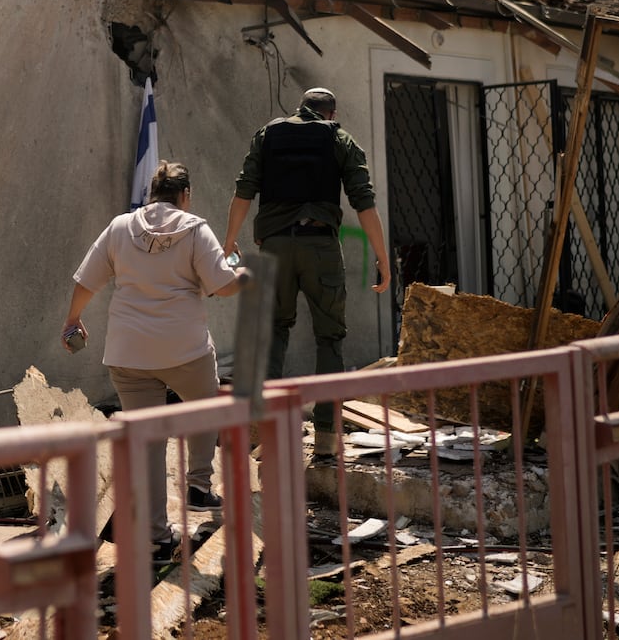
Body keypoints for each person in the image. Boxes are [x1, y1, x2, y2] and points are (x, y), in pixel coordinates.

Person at [62, 160, 246, 552]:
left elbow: (86, 280)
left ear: (151, 197)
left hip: (128, 353)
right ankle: (198, 484)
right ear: (185, 196)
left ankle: (157, 538)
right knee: (204, 406)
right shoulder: (196, 229)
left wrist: (73, 320)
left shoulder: (119, 227)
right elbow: (224, 286)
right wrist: (241, 270)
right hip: (185, 350)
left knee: (147, 442)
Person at [222, 87, 390, 459]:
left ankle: (269, 433)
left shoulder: (268, 135)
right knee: (329, 338)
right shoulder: (340, 138)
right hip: (320, 246)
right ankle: (328, 439)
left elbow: (243, 191)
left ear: (301, 108)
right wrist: (382, 258)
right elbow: (364, 201)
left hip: (276, 248)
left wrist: (230, 241)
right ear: (331, 114)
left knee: (274, 332)